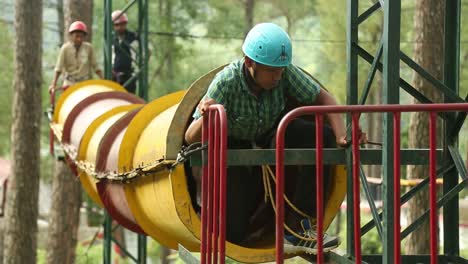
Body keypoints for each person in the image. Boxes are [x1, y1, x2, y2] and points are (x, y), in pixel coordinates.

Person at [185, 23, 366, 254]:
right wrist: (206, 117)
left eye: (281, 69)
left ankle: (299, 228)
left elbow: (325, 99)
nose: (278, 76)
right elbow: (191, 137)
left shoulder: (285, 73)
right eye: (271, 70)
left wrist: (342, 136)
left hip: (274, 132)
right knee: (236, 228)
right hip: (232, 144)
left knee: (322, 135)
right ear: (250, 63)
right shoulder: (226, 82)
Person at [49, 21, 103, 93]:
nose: (79, 39)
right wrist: (53, 84)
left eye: (81, 36)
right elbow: (58, 68)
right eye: (76, 36)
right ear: (71, 36)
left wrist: (103, 80)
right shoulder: (65, 49)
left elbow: (96, 67)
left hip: (85, 84)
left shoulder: (89, 48)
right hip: (69, 83)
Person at [111, 10, 139, 94]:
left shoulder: (133, 37)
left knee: (129, 99)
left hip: (130, 75)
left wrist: (137, 71)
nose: (119, 27)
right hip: (115, 75)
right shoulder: (111, 38)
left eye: (122, 24)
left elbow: (145, 52)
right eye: (117, 25)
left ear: (126, 24)